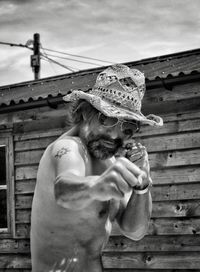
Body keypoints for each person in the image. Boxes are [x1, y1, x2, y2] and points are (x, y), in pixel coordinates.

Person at [30, 64, 163, 272]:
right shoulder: (67, 148)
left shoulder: (109, 164)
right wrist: (96, 186)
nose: (114, 136)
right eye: (107, 119)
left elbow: (135, 231)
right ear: (85, 112)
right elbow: (64, 191)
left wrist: (142, 185)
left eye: (127, 128)